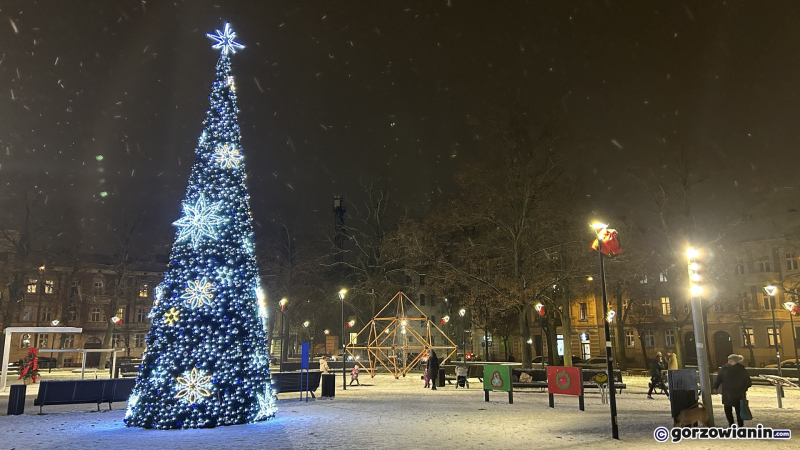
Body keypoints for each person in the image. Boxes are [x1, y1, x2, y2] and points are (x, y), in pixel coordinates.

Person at [712, 354, 752, 427]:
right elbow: (719, 379)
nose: (729, 361)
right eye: (728, 359)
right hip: (727, 393)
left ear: (736, 361)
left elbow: (748, 382)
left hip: (738, 393)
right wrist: (715, 387)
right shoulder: (724, 369)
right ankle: (731, 424)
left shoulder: (741, 369)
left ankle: (740, 425)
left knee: (739, 410)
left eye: (731, 360)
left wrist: (743, 390)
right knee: (727, 409)